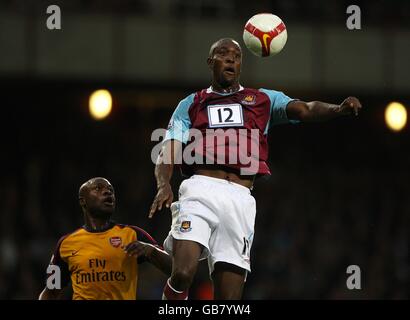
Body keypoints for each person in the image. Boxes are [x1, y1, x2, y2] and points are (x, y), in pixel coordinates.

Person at [149, 38, 362, 300]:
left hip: (240, 199)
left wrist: (338, 109)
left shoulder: (263, 99)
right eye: (222, 54)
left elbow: (305, 109)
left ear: (240, 64)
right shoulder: (191, 104)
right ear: (210, 62)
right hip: (200, 190)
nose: (230, 59)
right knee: (182, 273)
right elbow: (169, 147)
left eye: (236, 56)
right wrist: (163, 183)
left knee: (229, 298)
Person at [39, 177, 171, 300]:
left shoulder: (132, 234)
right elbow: (51, 290)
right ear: (83, 201)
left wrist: (151, 250)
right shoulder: (65, 244)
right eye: (98, 188)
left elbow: (174, 269)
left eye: (111, 190)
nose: (107, 192)